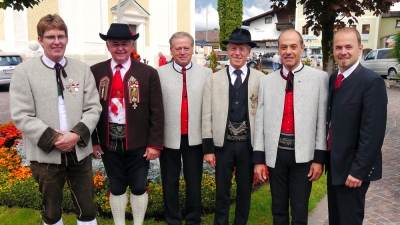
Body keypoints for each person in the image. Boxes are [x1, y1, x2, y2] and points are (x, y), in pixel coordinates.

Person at [10, 14, 101, 225]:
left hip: (78, 151)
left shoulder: (82, 69)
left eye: (61, 36)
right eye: (50, 37)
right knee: (51, 212)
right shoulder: (24, 72)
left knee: (87, 208)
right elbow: (22, 114)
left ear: (67, 38)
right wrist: (55, 139)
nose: (57, 41)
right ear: (40, 40)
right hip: (46, 153)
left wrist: (76, 135)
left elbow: (93, 107)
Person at [90, 23, 164, 225]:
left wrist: (154, 144)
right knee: (116, 186)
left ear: (132, 46)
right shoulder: (95, 71)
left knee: (139, 186)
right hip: (108, 141)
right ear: (108, 46)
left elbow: (157, 111)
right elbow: (87, 111)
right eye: (115, 44)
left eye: (125, 44)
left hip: (139, 142)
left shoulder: (148, 73)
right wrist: (94, 141)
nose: (120, 48)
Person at [253, 29, 328, 225]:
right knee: (278, 208)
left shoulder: (319, 79)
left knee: (300, 209)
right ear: (278, 50)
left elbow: (322, 120)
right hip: (276, 155)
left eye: (293, 46)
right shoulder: (266, 81)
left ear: (302, 48)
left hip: (303, 156)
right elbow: (260, 121)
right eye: (284, 47)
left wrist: (319, 158)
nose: (288, 51)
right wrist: (259, 159)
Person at [202, 28, 264, 225]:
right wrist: (208, 148)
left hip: (247, 145)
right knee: (222, 190)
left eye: (242, 49)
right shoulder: (214, 79)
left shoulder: (260, 79)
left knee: (244, 190)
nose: (238, 53)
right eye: (234, 48)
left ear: (248, 52)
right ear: (228, 51)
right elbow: (207, 114)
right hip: (223, 145)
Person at [327, 27, 387, 225]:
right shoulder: (334, 78)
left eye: (348, 46)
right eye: (338, 47)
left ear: (360, 48)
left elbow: (373, 133)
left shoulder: (371, 82)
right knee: (336, 219)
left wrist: (359, 171)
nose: (343, 51)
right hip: (335, 167)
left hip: (353, 171)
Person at [157, 32, 212, 225]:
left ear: (192, 49)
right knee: (169, 183)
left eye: (186, 48)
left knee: (194, 183)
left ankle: (193, 220)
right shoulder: (160, 73)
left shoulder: (206, 73)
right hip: (169, 137)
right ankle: (172, 219)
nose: (182, 52)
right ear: (171, 50)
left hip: (195, 138)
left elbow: (209, 108)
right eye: (178, 48)